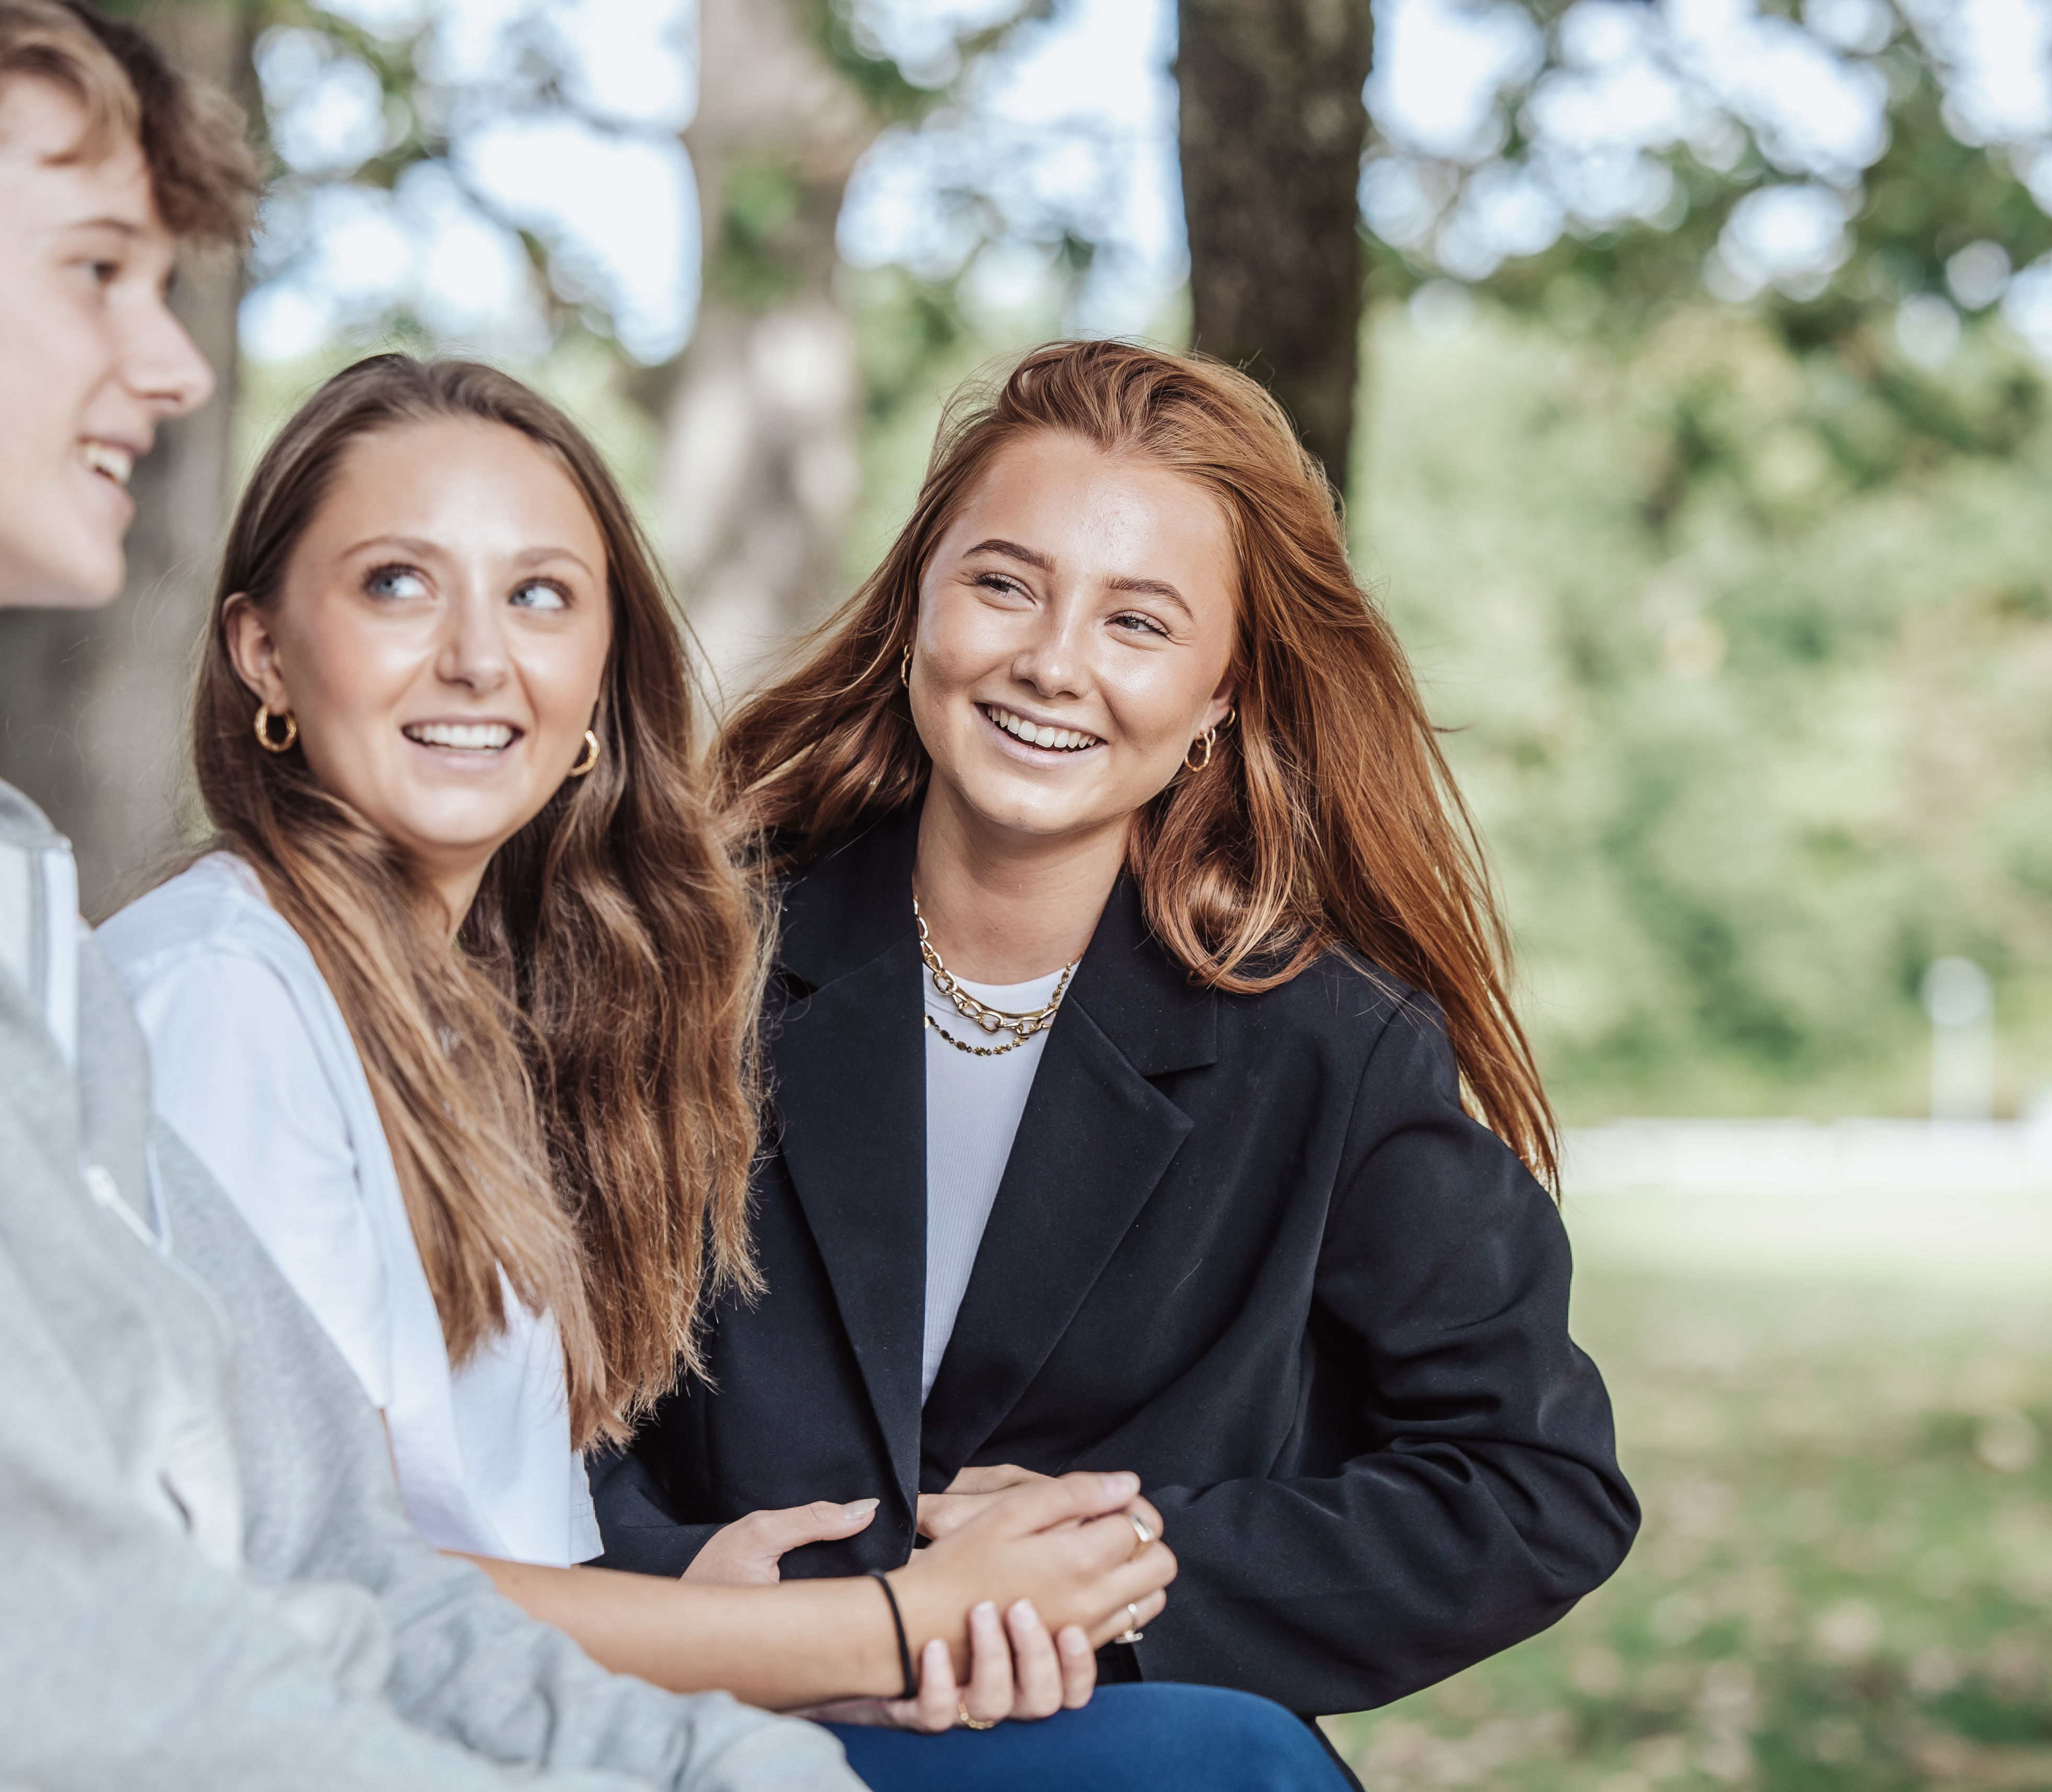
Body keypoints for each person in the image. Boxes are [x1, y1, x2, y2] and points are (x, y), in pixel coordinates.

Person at [0, 5, 847, 1786]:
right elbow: (60, 1670)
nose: (174, 367)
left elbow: (338, 1569)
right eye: (95, 272)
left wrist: (747, 1773)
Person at [99, 353, 1346, 1791]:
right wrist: (876, 1629)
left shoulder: (460, 1010)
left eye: (538, 596)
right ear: (261, 650)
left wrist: (746, 1629)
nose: (476, 659)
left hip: (555, 1726)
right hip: (413, 1753)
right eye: (397, 584)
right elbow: (302, 1583)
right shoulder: (223, 997)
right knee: (1226, 1767)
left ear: (599, 675)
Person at [593, 340, 1643, 1769]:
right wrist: (681, 1590)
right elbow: (502, 1408)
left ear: (1221, 696)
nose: (1052, 662)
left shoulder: (1331, 1048)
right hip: (708, 1729)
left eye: (1138, 622)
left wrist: (1127, 1568)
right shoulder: (676, 966)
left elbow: (1534, 1487)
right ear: (917, 605)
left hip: (1099, 1740)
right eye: (1003, 584)